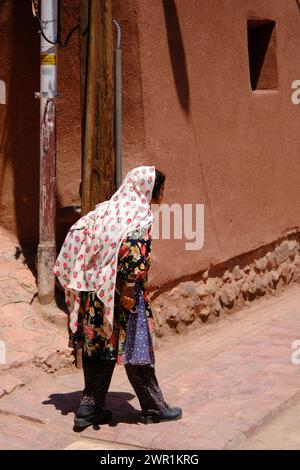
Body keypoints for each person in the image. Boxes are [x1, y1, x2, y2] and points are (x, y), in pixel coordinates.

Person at [54, 166, 182, 429]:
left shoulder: (104, 210)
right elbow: (134, 254)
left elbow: (78, 233)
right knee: (136, 350)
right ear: (149, 189)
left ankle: (89, 408)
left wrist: (81, 272)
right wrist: (128, 288)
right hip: (124, 296)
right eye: (160, 189)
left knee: (98, 348)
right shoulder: (139, 215)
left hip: (93, 293)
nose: (162, 194)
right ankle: (155, 408)